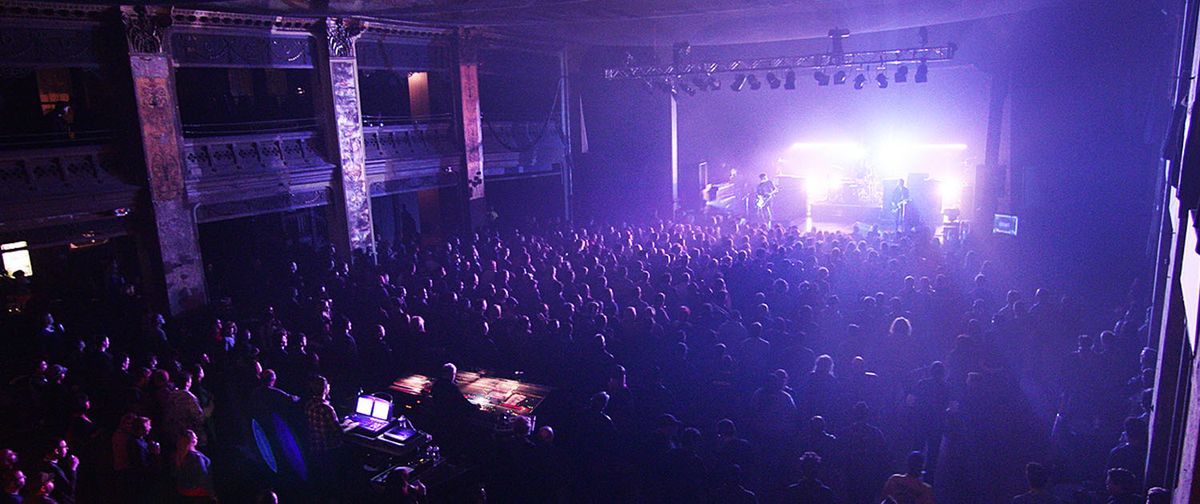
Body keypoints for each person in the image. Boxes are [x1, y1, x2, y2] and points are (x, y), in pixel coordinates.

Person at [172, 430, 216, 502]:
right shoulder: (196, 457)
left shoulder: (177, 455)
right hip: (199, 494)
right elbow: (204, 477)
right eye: (195, 437)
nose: (197, 438)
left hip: (183, 493)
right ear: (191, 440)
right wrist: (212, 494)